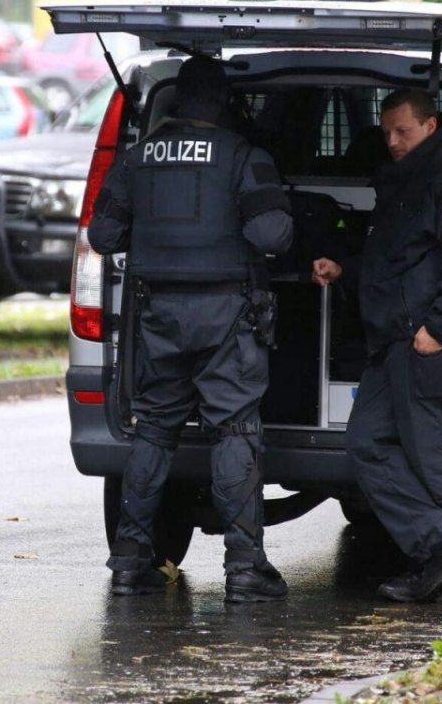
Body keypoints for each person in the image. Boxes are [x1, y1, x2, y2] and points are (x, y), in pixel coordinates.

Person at [88, 56, 295, 603]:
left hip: (157, 317)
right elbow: (271, 232)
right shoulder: (243, 157)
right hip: (227, 314)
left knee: (153, 428)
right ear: (225, 103)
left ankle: (131, 562)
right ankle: (246, 569)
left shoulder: (136, 159)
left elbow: (104, 235)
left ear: (178, 102)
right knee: (235, 430)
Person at [312, 88, 442, 603]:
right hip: (390, 341)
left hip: (423, 343)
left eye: (402, 131)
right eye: (386, 131)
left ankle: (434, 560)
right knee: (366, 442)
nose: (390, 141)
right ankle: (436, 546)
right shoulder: (399, 183)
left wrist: (439, 329)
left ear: (430, 127)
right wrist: (344, 267)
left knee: (429, 452)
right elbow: (393, 259)